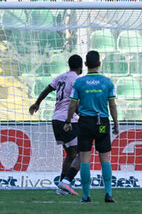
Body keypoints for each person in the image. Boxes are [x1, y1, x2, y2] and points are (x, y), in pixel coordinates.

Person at [63, 50, 119, 203]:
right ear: (99, 64)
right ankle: (108, 194)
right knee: (105, 158)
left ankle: (86, 196)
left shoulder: (79, 82)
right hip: (102, 123)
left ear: (86, 64)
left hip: (85, 123)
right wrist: (116, 124)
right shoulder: (107, 82)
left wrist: (68, 121)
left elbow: (72, 104)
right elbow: (112, 105)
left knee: (85, 159)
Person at [29, 54, 83, 196]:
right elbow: (74, 102)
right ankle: (66, 182)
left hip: (56, 118)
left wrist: (37, 103)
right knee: (82, 152)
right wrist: (80, 114)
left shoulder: (61, 77)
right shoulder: (76, 80)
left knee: (71, 154)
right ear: (80, 66)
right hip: (68, 120)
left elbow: (48, 89)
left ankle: (61, 187)